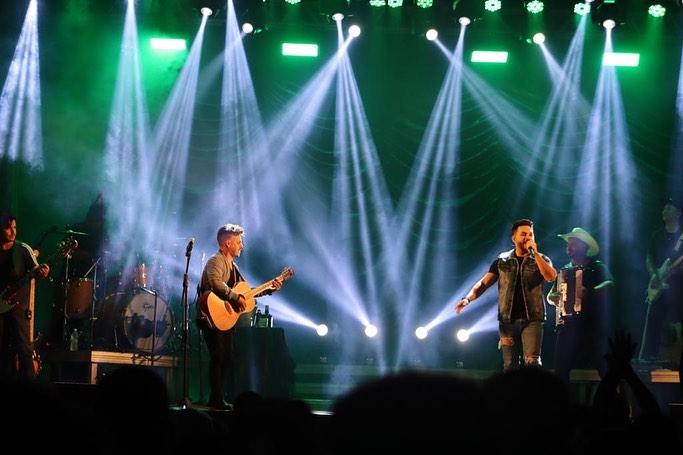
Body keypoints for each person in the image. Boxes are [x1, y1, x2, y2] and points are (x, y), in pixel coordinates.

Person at [197, 223, 282, 410]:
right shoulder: (215, 261)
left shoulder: (232, 266)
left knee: (227, 357)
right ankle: (216, 399)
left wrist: (269, 289)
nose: (241, 246)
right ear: (227, 244)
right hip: (212, 315)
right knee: (219, 356)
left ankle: (217, 397)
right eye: (238, 242)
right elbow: (214, 282)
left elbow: (246, 294)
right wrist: (234, 297)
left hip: (225, 319)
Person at [455, 219, 557, 370]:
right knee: (510, 365)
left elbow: (551, 276)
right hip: (507, 321)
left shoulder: (542, 259)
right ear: (513, 237)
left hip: (532, 320)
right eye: (523, 234)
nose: (528, 238)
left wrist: (535, 254)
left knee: (533, 363)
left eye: (531, 235)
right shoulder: (502, 261)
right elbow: (483, 284)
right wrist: (467, 299)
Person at [547, 227, 614, 384]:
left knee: (605, 368)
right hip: (568, 326)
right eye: (568, 244)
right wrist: (554, 298)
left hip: (593, 326)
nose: (569, 247)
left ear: (584, 246)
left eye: (574, 243)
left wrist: (589, 292)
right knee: (561, 371)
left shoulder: (597, 267)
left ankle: (614, 403)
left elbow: (610, 284)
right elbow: (550, 296)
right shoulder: (564, 271)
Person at [0, 213, 50, 379]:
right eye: (8, 228)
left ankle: (28, 390)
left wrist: (43, 271)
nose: (13, 231)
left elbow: (37, 270)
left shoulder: (22, 249)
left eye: (14, 227)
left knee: (23, 349)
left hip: (18, 308)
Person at [641, 199, 683, 363]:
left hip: (678, 286)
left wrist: (678, 270)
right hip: (658, 284)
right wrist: (654, 275)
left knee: (678, 319)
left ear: (678, 213)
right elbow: (649, 258)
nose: (664, 210)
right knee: (654, 320)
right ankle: (650, 356)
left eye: (669, 207)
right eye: (664, 207)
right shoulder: (657, 234)